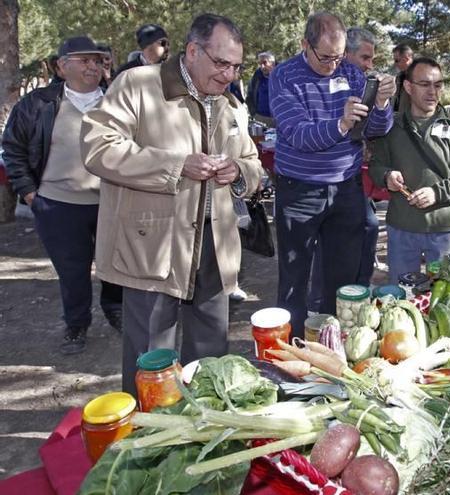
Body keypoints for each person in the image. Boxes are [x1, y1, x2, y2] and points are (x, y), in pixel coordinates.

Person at [80, 14, 263, 395]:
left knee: (210, 354)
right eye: (222, 63)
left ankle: (207, 427)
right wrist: (176, 165)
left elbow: (252, 161)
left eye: (236, 66)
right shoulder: (138, 85)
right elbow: (99, 148)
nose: (229, 75)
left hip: (215, 243)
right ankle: (148, 440)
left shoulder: (229, 104)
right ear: (193, 51)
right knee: (151, 356)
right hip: (153, 245)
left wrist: (239, 172)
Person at [269, 12, 395, 337]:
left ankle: (331, 348)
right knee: (294, 280)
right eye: (325, 57)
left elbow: (375, 131)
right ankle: (293, 350)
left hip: (345, 190)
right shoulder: (284, 76)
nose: (332, 66)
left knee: (341, 278)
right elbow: (299, 135)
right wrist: (340, 123)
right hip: (300, 192)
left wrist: (381, 104)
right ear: (304, 45)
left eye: (338, 57)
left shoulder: (351, 73)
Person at [2, 36, 124, 355]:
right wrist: (29, 194)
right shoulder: (39, 103)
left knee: (115, 264)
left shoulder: (116, 101)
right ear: (61, 66)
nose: (93, 66)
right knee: (72, 271)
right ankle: (77, 325)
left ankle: (116, 311)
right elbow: (13, 148)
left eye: (98, 60)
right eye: (84, 60)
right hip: (58, 205)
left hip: (112, 202)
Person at [370, 57, 450, 282]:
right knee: (401, 300)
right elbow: (375, 165)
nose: (433, 92)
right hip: (401, 228)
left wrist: (436, 193)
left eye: (438, 85)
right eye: (425, 84)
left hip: (443, 230)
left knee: (444, 298)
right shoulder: (391, 126)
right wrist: (386, 176)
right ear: (408, 87)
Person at [307, 26, 382, 311]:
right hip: (321, 184)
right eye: (364, 57)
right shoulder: (323, 84)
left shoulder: (362, 83)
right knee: (329, 244)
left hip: (352, 181)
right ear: (345, 53)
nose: (369, 65)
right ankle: (321, 302)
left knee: (367, 228)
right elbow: (312, 133)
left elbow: (375, 127)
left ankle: (358, 292)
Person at [245, 51, 276, 125]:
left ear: (273, 63)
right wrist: (253, 113)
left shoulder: (282, 76)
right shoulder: (257, 77)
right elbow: (249, 96)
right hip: (260, 118)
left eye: (264, 63)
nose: (262, 66)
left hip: (278, 119)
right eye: (260, 63)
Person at [392, 43, 413, 113]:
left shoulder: (420, 78)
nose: (395, 64)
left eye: (397, 60)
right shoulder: (399, 77)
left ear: (406, 59)